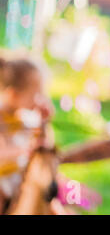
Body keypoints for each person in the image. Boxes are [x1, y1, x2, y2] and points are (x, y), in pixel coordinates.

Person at [0, 57, 53, 213]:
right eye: (35, 95)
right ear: (13, 94)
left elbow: (45, 147)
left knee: (45, 198)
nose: (40, 100)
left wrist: (44, 122)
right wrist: (25, 148)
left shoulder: (27, 118)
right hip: (2, 180)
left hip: (19, 179)